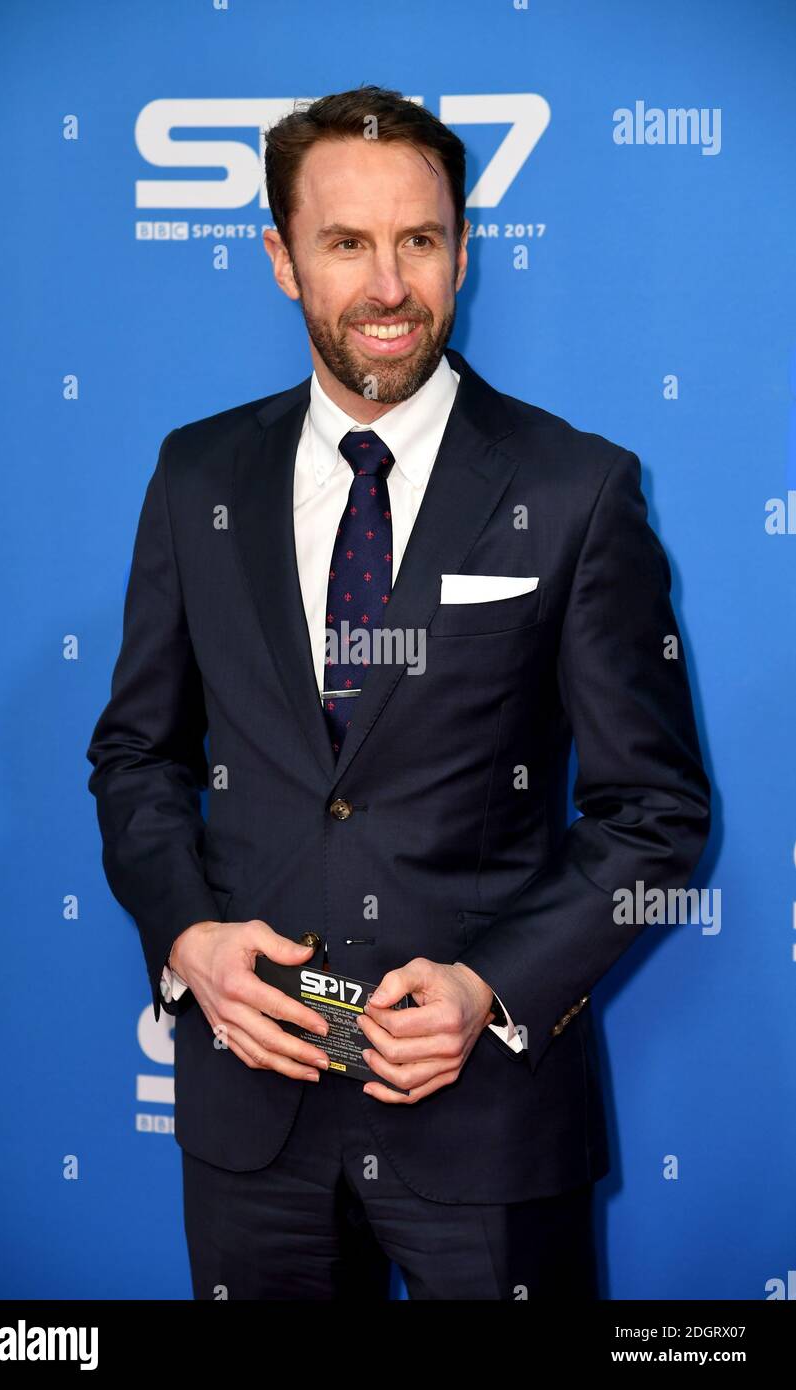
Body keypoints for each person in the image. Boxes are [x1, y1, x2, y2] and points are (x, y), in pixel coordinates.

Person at [86, 85, 710, 1300]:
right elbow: (138, 758)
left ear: (463, 251)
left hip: (484, 1122)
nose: (388, 285)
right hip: (249, 1109)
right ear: (281, 260)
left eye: (419, 240)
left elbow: (656, 813)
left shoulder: (576, 488)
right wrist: (188, 943)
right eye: (346, 242)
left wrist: (491, 988)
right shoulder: (195, 472)